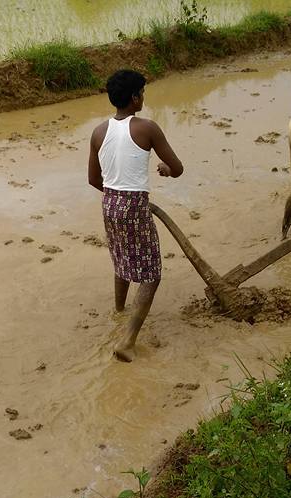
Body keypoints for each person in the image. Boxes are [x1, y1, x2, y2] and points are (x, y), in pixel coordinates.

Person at [87, 70, 184, 362]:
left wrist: (117, 192)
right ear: (134, 97)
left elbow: (94, 179)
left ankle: (119, 311)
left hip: (110, 204)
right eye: (142, 92)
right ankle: (127, 340)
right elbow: (176, 167)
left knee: (121, 258)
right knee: (151, 273)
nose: (143, 96)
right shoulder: (147, 128)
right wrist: (165, 171)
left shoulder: (99, 131)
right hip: (133, 206)